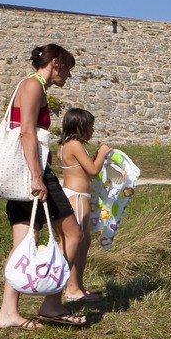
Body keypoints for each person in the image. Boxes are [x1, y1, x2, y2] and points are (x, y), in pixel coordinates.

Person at [0, 44, 86, 330]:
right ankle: (52, 303)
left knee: (24, 244)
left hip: (19, 173)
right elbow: (25, 132)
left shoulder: (24, 85)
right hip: (33, 172)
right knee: (73, 234)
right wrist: (37, 175)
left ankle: (8, 312)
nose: (69, 76)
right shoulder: (34, 86)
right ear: (56, 63)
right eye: (68, 68)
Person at [54, 108, 112, 305]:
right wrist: (103, 153)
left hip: (77, 196)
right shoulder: (75, 144)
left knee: (83, 242)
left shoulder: (65, 144)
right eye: (90, 126)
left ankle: (76, 285)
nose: (92, 131)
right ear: (80, 126)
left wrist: (94, 156)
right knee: (78, 242)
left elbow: (84, 168)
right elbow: (93, 170)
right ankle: (72, 288)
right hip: (77, 197)